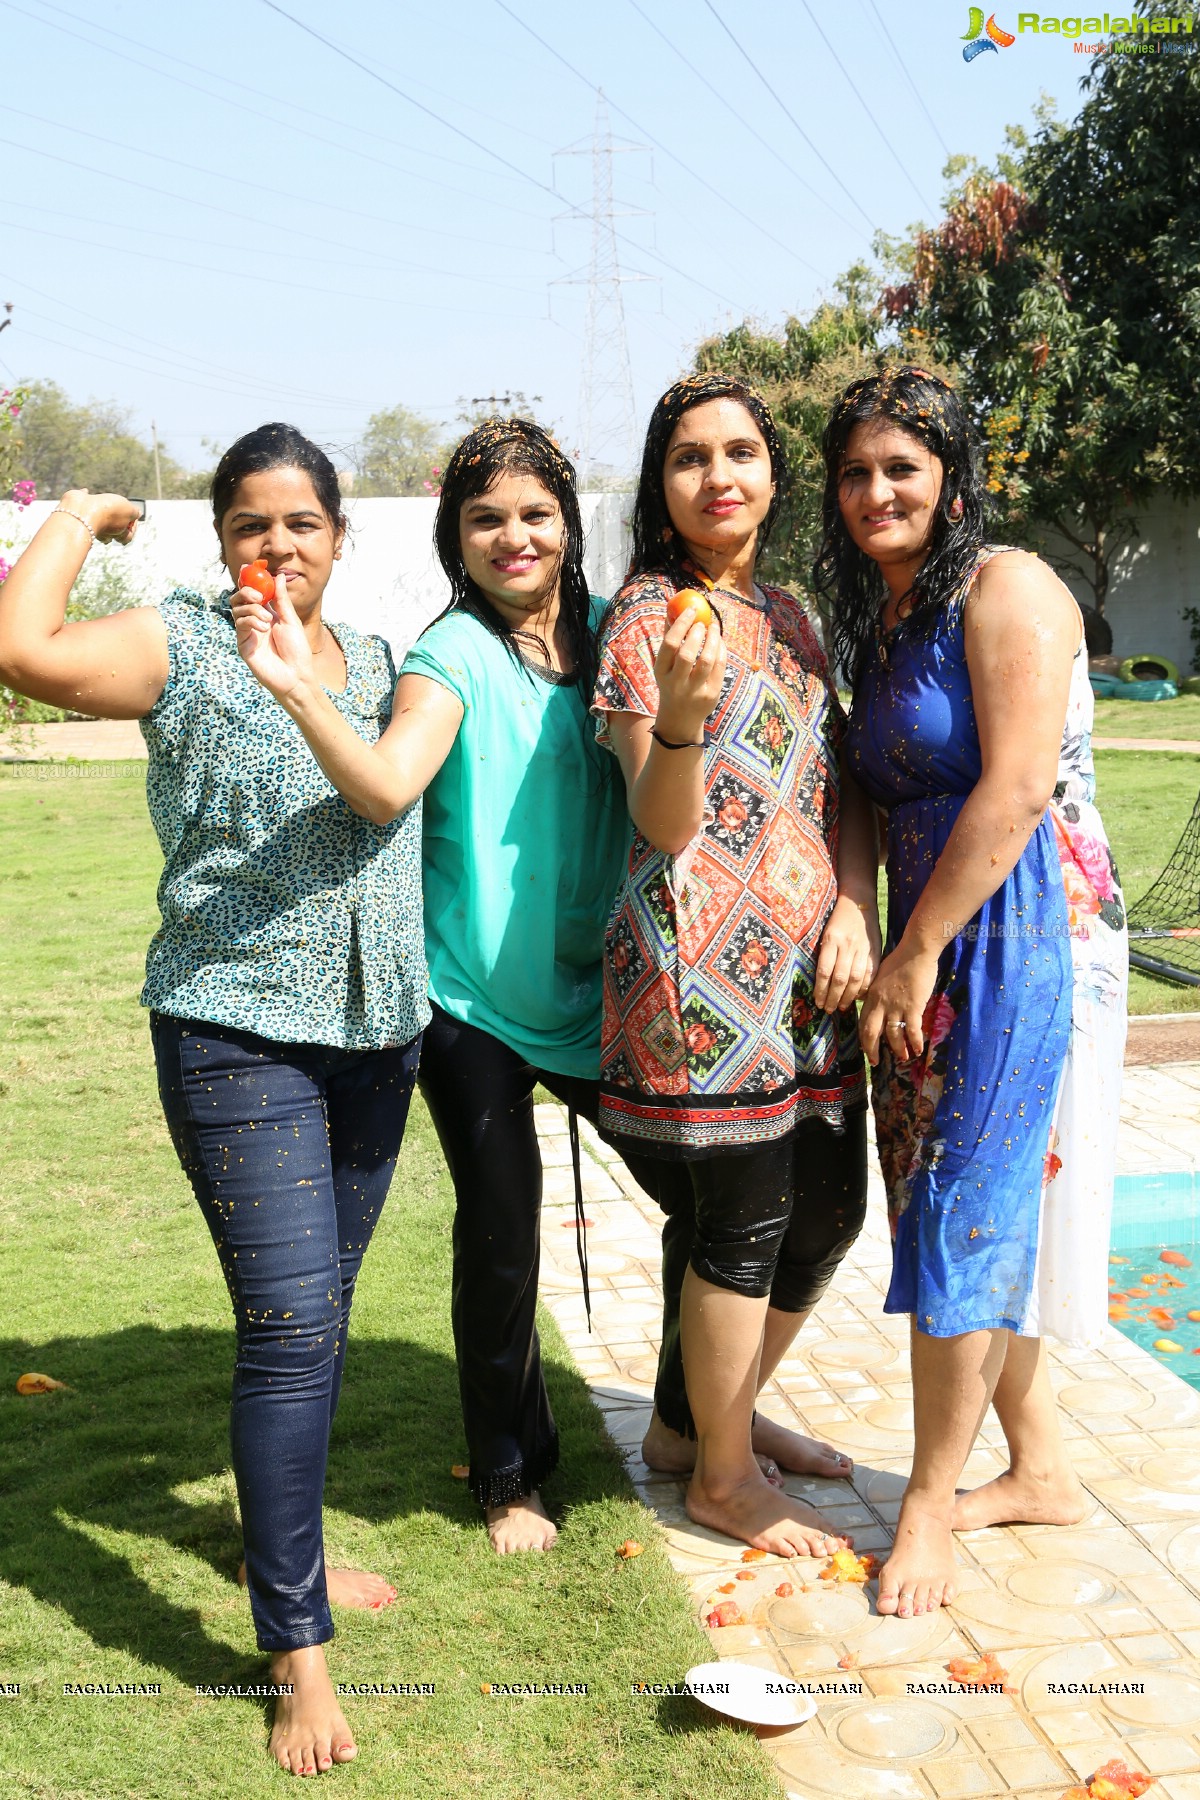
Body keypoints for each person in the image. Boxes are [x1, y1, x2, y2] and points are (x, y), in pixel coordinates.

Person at [0, 424, 428, 1776]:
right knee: (293, 1328)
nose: (277, 545)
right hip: (238, 1034)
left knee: (321, 1317)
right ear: (223, 539)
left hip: (378, 1037)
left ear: (341, 539)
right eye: (252, 523)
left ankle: (282, 1545)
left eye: (302, 522)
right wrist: (78, 514)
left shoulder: (375, 663)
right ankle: (293, 1647)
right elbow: (22, 648)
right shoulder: (179, 642)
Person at [233, 417, 635, 1556]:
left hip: (604, 997)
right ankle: (508, 1474)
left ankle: (695, 1420)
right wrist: (299, 695)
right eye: (485, 518)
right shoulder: (448, 654)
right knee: (504, 1236)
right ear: (456, 537)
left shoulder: (617, 636)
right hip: (472, 1006)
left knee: (721, 1195)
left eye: (535, 513)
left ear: (569, 521)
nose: (514, 536)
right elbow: (386, 785)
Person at [815, 366, 1128, 1618]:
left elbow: (1014, 792)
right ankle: (1040, 1468)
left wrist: (914, 948)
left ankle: (929, 1504)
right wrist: (863, 912)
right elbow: (861, 788)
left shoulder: (1012, 589)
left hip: (1015, 933)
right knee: (947, 1205)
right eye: (854, 472)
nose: (876, 491)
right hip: (930, 929)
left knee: (966, 1209)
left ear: (951, 477)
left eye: (902, 466)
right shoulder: (888, 621)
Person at [591, 373, 881, 1558]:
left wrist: (856, 904)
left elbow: (844, 782)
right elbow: (660, 823)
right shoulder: (645, 619)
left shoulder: (801, 616)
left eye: (742, 453)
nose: (720, 475)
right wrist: (680, 718)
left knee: (832, 1213)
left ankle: (695, 1422)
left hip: (813, 968)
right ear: (663, 489)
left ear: (772, 473)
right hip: (696, 970)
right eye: (691, 457)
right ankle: (720, 1475)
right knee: (748, 1219)